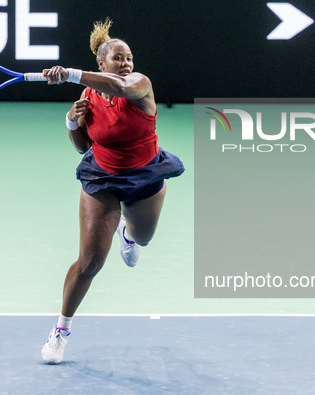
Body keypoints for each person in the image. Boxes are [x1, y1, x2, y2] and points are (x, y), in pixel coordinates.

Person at [40, 18, 184, 364]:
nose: (126, 64)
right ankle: (61, 331)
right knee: (90, 262)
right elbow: (81, 147)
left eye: (129, 57)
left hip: (145, 175)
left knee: (144, 238)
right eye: (118, 58)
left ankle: (129, 234)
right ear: (101, 63)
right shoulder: (89, 95)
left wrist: (70, 73)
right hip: (102, 177)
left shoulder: (138, 85)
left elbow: (121, 88)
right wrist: (72, 122)